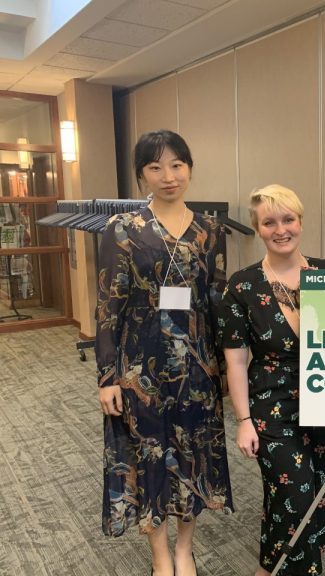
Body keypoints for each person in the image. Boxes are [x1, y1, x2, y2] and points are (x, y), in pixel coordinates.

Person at [96, 130, 233, 576]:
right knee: (148, 455)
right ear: (142, 175)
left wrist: (227, 372)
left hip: (197, 367)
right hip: (141, 367)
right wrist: (107, 377)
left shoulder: (210, 230)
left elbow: (215, 303)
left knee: (193, 454)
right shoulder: (123, 230)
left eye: (177, 164)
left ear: (189, 168)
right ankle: (159, 554)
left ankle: (184, 549)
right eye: (155, 167)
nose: (168, 175)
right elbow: (107, 307)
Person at [218, 184, 325, 576]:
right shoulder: (243, 285)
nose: (280, 229)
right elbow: (235, 362)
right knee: (297, 493)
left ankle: (267, 569)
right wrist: (242, 422)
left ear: (300, 222)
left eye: (288, 219)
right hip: (272, 406)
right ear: (258, 229)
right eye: (269, 222)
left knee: (317, 496)